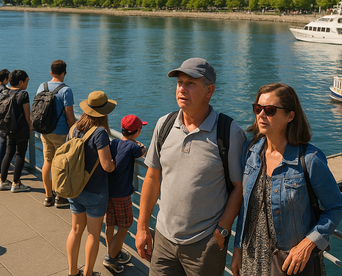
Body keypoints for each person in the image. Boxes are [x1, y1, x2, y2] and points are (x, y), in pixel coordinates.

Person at [135, 58, 245, 276]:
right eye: (179, 83)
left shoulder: (230, 132)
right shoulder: (164, 124)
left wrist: (222, 231)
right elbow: (152, 178)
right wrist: (141, 227)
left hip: (205, 245)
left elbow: (240, 188)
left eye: (191, 83)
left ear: (209, 90)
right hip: (163, 240)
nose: (182, 89)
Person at [231, 83, 342, 276]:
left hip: (290, 263)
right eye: (257, 108)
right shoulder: (250, 152)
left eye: (270, 110)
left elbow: (336, 207)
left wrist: (308, 244)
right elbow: (246, 208)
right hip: (252, 257)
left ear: (290, 116)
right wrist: (237, 249)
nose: (261, 115)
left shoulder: (309, 159)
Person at [66, 91, 116, 276]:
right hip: (95, 191)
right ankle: (88, 273)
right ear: (104, 112)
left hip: (75, 188)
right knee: (93, 234)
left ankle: (73, 272)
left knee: (76, 230)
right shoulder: (100, 132)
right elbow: (107, 165)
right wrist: (115, 163)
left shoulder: (74, 128)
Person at [103, 114, 146, 274]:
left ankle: (114, 251)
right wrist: (140, 145)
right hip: (122, 195)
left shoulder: (114, 142)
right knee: (125, 226)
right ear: (137, 131)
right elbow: (142, 151)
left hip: (109, 191)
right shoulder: (133, 147)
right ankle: (110, 258)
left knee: (110, 224)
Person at [39, 59, 76, 208]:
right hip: (61, 132)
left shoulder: (42, 86)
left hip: (45, 131)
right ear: (64, 73)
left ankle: (48, 196)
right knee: (62, 165)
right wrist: (74, 132)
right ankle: (60, 197)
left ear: (50, 72)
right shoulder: (66, 90)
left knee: (48, 161)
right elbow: (69, 115)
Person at [0, 70, 33, 192]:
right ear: (21, 82)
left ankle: (2, 181)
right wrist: (30, 128)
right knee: (20, 155)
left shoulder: (5, 92)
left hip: (9, 128)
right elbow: (27, 115)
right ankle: (16, 183)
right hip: (21, 129)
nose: (28, 83)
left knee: (8, 153)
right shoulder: (23, 95)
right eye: (27, 80)